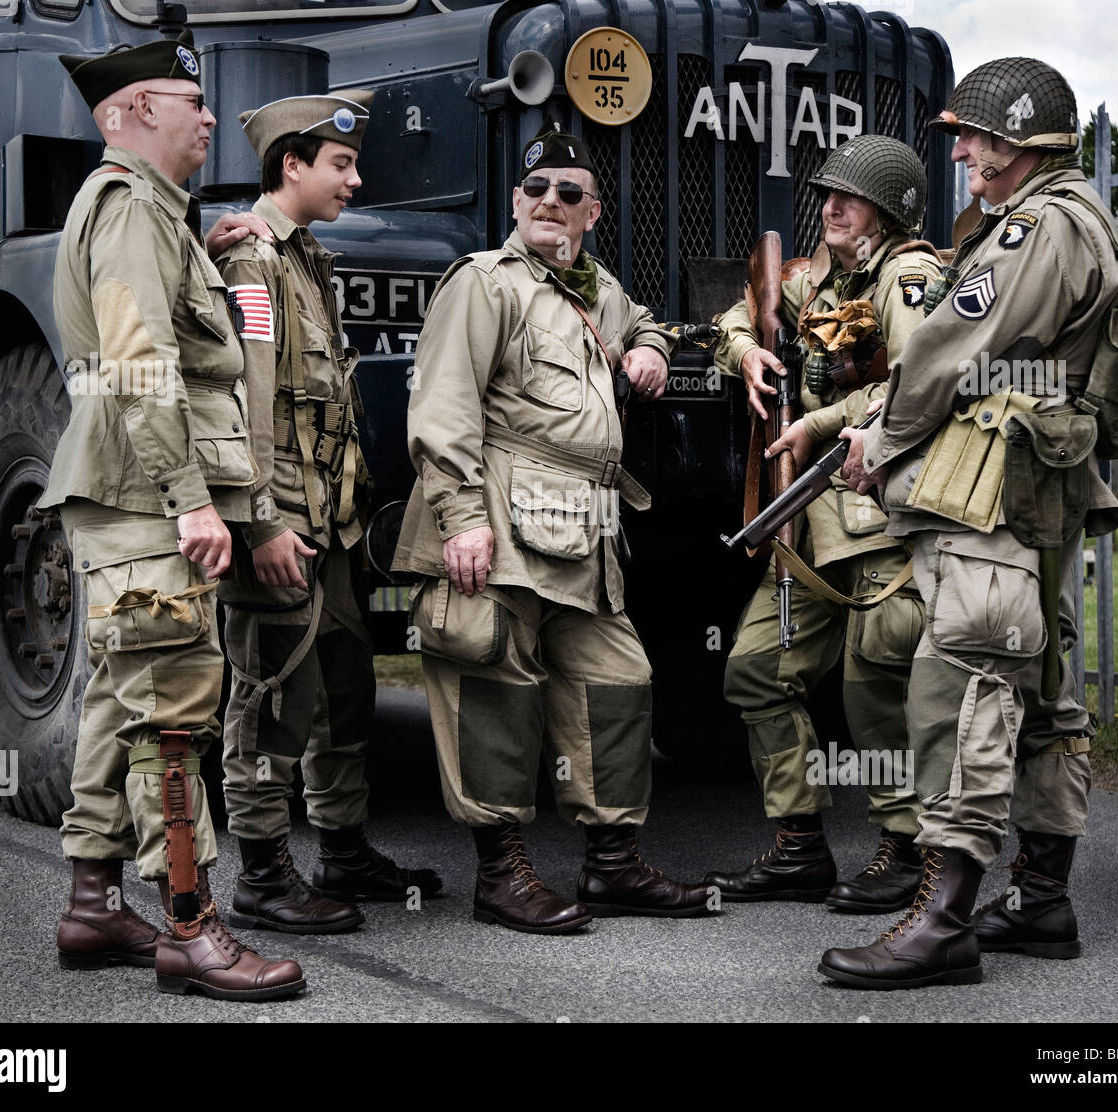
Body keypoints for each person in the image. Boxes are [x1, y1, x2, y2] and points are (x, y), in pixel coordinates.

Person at [827, 57, 1118, 988]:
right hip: (1034, 485)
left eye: (972, 137)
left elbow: (953, 347)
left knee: (964, 685)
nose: (957, 151)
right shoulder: (1080, 216)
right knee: (1035, 690)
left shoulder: (1036, 225)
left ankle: (942, 919)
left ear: (1019, 142)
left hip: (986, 487)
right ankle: (1042, 900)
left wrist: (883, 435)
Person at [393, 122, 714, 933]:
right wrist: (461, 520)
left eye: (568, 192)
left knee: (617, 681)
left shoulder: (598, 291)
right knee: (496, 687)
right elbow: (442, 409)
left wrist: (648, 350)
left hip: (586, 529)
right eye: (535, 189)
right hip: (498, 519)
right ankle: (500, 874)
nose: (549, 202)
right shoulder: (485, 282)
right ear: (516, 201)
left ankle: (611, 865)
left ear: (591, 212)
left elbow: (644, 323)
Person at [42, 31, 304, 999]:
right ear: (136, 112)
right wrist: (193, 499)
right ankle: (191, 927)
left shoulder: (157, 216)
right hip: (146, 496)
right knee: (175, 711)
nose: (208, 115)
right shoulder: (124, 209)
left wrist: (206, 245)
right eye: (189, 99)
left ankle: (92, 900)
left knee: (123, 702)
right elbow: (140, 359)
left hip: (125, 492)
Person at [213, 93, 441, 934]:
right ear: (292, 167)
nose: (355, 177)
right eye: (340, 164)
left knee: (344, 690)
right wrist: (262, 522)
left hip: (331, 528)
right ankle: (264, 875)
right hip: (283, 528)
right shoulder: (254, 264)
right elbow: (249, 405)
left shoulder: (308, 257)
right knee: (274, 694)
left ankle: (342, 850)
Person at [704, 135, 936, 914]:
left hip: (882, 519)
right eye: (827, 194)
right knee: (756, 670)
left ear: (891, 209)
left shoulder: (909, 277)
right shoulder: (822, 280)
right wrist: (745, 351)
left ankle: (906, 852)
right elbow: (731, 316)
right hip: (810, 528)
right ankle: (799, 847)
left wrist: (818, 422)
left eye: (851, 196)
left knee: (878, 686)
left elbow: (918, 384)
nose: (831, 207)